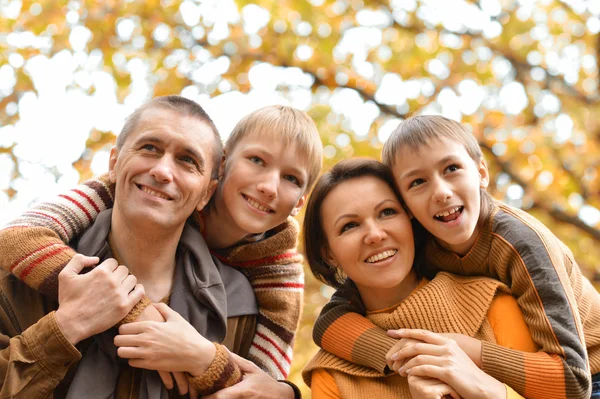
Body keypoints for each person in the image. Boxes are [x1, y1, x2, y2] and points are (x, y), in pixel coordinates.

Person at [0, 96, 319, 398]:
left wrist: (273, 387)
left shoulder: (250, 301)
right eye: (150, 148)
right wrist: (66, 327)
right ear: (114, 163)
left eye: (187, 160)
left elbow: (261, 382)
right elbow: (18, 236)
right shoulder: (20, 277)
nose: (162, 171)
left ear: (207, 190)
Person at [312, 115, 600, 399]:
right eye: (417, 182)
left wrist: (464, 348)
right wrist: (404, 354)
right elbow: (329, 321)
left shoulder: (522, 244)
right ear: (407, 204)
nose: (440, 192)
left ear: (482, 173)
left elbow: (574, 380)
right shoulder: (423, 241)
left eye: (451, 168)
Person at [301, 158, 533, 398]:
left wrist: (494, 394)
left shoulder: (490, 304)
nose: (375, 235)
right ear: (328, 253)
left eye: (387, 212)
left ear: (411, 217)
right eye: (349, 226)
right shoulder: (332, 376)